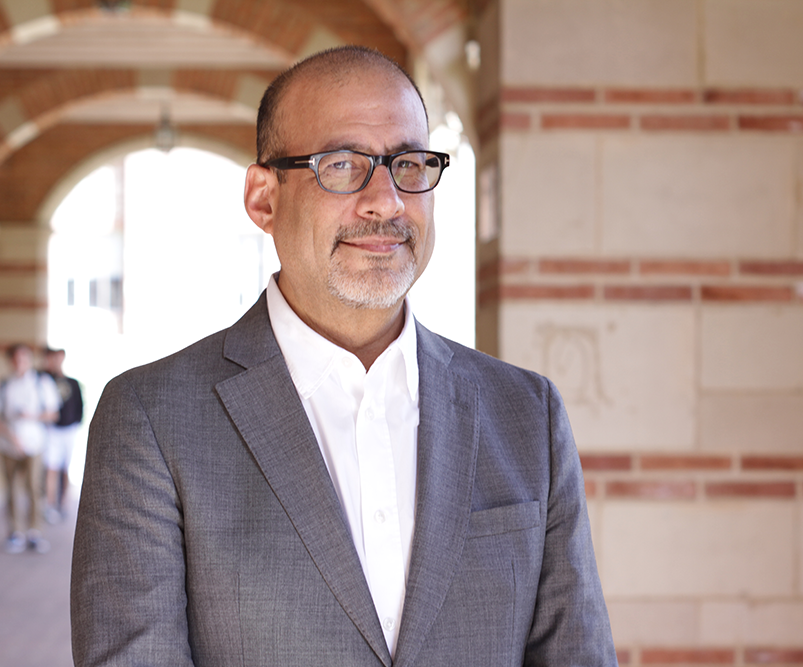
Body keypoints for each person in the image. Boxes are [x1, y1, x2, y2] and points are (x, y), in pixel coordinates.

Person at [71, 46, 616, 666]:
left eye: (409, 164)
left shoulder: (527, 412)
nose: (386, 201)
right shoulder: (149, 419)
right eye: (342, 165)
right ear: (263, 198)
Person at [0, 343, 60, 554]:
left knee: (34, 488)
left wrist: (33, 417)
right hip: (7, 444)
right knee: (10, 489)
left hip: (34, 444)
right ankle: (15, 532)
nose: (20, 363)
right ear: (11, 361)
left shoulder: (41, 383)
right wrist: (11, 436)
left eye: (24, 359)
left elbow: (53, 414)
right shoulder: (2, 385)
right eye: (16, 359)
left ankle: (35, 532)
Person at [42, 347, 83, 524]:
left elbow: (79, 405)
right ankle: (50, 504)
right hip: (51, 430)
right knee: (51, 467)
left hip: (69, 429)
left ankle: (63, 502)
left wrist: (75, 422)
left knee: (65, 467)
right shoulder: (44, 379)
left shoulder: (73, 383)